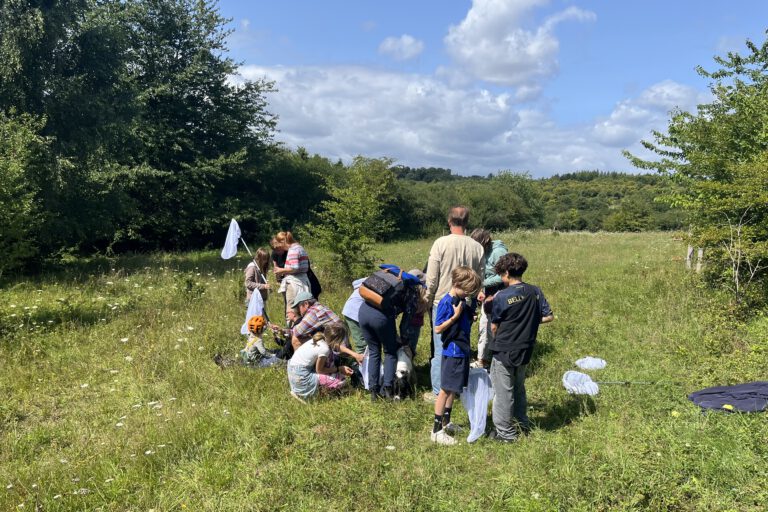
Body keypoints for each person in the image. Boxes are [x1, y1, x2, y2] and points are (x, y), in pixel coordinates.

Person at [487, 253, 554, 442]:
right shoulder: (535, 291)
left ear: (507, 273)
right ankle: (522, 424)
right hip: (526, 349)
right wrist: (528, 323)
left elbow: (494, 326)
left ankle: (505, 433)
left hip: (505, 350)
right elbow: (548, 316)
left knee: (503, 392)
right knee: (519, 387)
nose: (501, 277)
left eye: (501, 274)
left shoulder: (502, 296)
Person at [425, 206, 485, 400]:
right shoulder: (477, 247)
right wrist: (473, 303)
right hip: (465, 304)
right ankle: (457, 388)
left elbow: (432, 278)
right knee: (460, 345)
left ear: (449, 222)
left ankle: (438, 392)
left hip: (441, 301)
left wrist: (427, 298)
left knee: (441, 347)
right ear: (467, 223)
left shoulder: (440, 243)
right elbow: (479, 279)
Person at [430, 266, 482, 445]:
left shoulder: (461, 299)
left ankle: (447, 422)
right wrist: (454, 317)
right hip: (452, 351)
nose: (469, 293)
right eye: (468, 289)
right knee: (445, 389)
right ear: (458, 284)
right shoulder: (447, 302)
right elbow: (437, 328)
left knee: (453, 388)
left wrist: (468, 316)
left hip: (462, 349)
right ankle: (436, 430)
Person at [469, 229, 508, 368]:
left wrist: (482, 284)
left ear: (483, 242)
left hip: (501, 293)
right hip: (488, 292)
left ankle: (489, 360)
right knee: (485, 326)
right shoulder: (482, 252)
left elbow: (504, 276)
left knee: (491, 326)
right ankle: (483, 359)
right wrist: (480, 289)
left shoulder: (498, 252)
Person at [287, 322, 354, 400]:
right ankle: (304, 395)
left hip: (294, 371)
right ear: (337, 340)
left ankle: (300, 391)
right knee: (341, 381)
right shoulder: (325, 349)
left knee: (331, 365)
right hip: (301, 377)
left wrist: (354, 354)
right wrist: (339, 369)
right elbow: (319, 370)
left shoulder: (320, 340)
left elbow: (336, 347)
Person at [271, 231, 311, 324]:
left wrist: (281, 270)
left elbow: (294, 267)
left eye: (280, 246)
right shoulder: (300, 247)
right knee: (303, 309)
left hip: (294, 283)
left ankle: (291, 332)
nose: (282, 249)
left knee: (291, 310)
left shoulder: (293, 250)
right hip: (303, 281)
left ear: (283, 242)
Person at [399, 268, 429, 354]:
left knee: (404, 346)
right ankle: (408, 364)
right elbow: (419, 310)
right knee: (410, 348)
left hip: (406, 325)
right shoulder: (417, 297)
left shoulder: (408, 294)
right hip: (414, 325)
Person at [341, 278, 367, 354]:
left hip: (351, 310)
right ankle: (363, 363)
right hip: (353, 312)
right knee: (361, 343)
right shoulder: (375, 283)